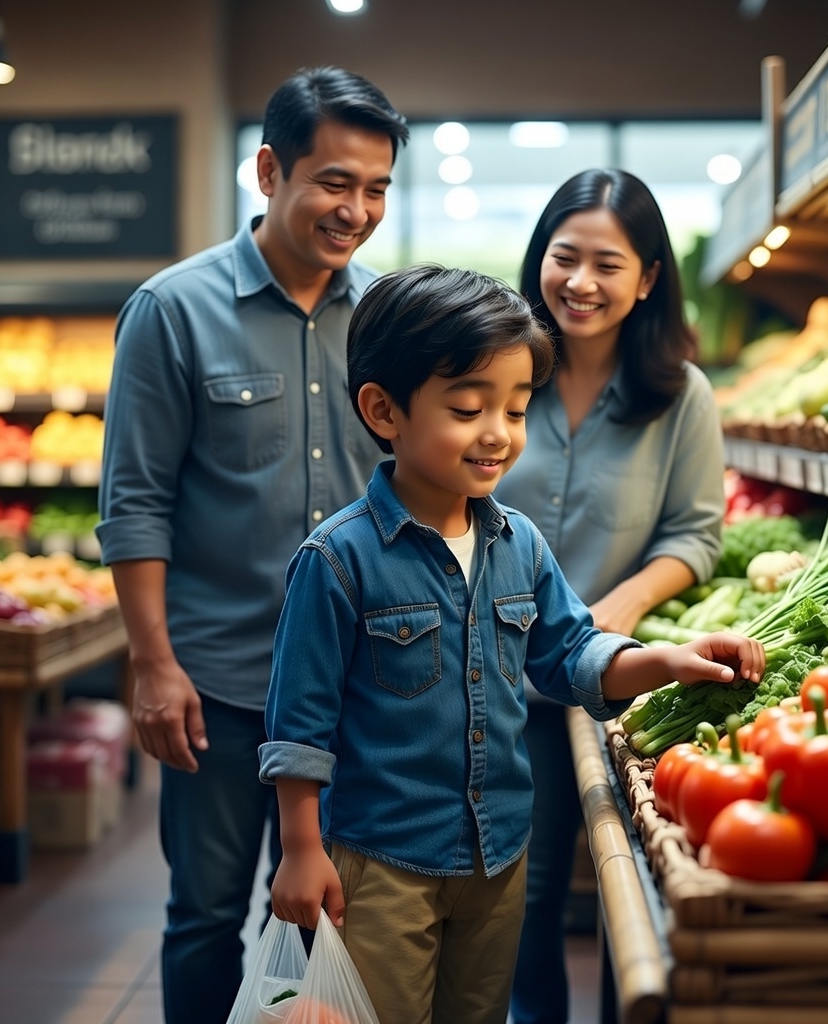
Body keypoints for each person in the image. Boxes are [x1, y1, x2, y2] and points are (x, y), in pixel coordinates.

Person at [258, 263, 764, 1024]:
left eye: (517, 409)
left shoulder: (516, 542)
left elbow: (568, 653)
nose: (498, 433)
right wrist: (302, 850)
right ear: (383, 410)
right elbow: (298, 725)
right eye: (467, 408)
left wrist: (666, 660)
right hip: (382, 860)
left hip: (498, 858)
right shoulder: (338, 560)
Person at [96, 66, 408, 1024]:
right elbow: (135, 501)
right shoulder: (173, 311)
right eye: (335, 182)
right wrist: (153, 664)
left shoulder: (391, 323)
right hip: (221, 687)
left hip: (361, 682)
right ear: (270, 171)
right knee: (204, 917)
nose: (355, 210)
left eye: (377, 190)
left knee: (334, 916)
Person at [495, 168, 726, 1024]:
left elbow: (696, 535)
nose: (580, 283)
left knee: (559, 890)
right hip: (478, 672)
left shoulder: (681, 398)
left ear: (649, 278)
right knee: (512, 894)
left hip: (604, 679)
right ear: (539, 259)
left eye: (607, 264)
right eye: (564, 257)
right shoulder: (499, 369)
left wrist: (623, 605)